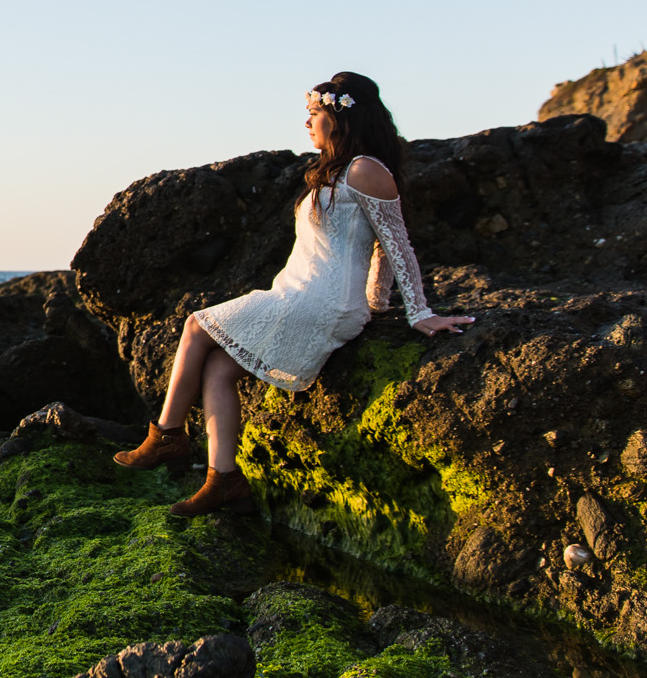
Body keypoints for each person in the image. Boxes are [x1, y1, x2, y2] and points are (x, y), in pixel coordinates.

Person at [112, 72, 474, 516]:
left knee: (195, 325)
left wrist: (418, 313)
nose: (307, 123)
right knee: (221, 369)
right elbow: (374, 247)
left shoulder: (366, 170)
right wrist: (377, 304)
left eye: (315, 114)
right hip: (299, 293)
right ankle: (223, 479)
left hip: (322, 302)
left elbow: (395, 244)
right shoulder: (336, 172)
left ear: (341, 118)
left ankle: (166, 436)